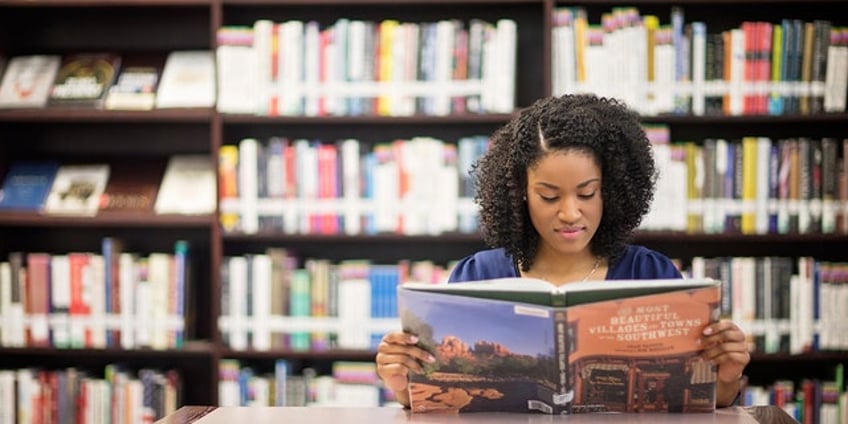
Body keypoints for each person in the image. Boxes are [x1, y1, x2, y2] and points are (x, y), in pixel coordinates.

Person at [375, 94, 750, 410]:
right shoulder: (476, 276)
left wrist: (727, 378)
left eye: (587, 193)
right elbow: (434, 404)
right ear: (520, 193)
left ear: (613, 190)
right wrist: (400, 383)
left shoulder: (652, 274)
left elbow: (700, 404)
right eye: (549, 196)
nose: (570, 213)